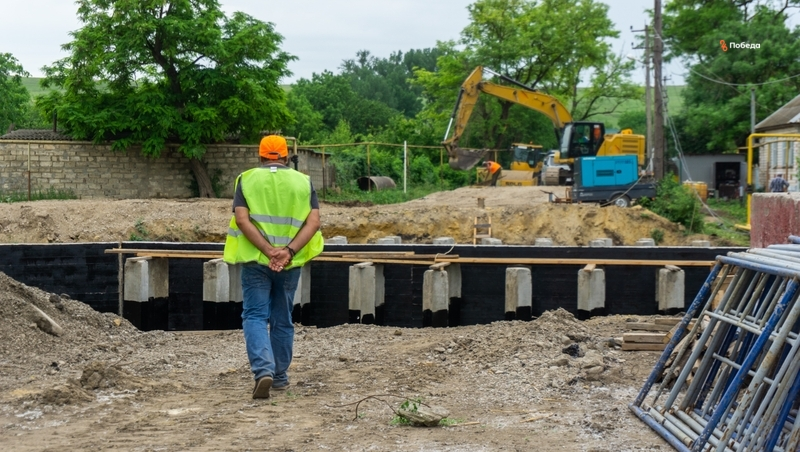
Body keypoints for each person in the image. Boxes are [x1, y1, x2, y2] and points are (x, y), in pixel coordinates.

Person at [223, 135, 324, 399]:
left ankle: (263, 371)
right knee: (282, 317)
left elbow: (242, 220)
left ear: (260, 156)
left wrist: (268, 251)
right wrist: (287, 252)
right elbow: (314, 222)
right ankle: (279, 377)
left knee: (255, 316)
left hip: (257, 260)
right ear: (286, 156)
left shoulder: (246, 179)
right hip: (289, 263)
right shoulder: (303, 181)